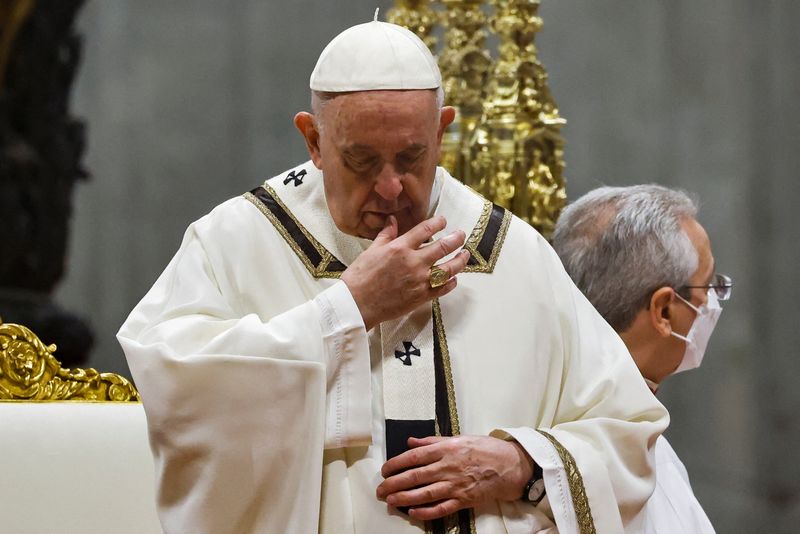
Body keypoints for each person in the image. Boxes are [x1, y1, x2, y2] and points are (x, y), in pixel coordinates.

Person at [118, 16, 667, 534]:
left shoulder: (512, 252)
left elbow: (628, 428)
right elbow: (178, 389)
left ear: (442, 131)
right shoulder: (235, 241)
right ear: (312, 139)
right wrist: (345, 311)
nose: (390, 187)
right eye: (361, 160)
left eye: (411, 157)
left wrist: (522, 461)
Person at [552, 185, 729, 534]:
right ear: (663, 311)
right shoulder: (581, 457)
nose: (713, 304)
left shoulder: (637, 423)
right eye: (708, 287)